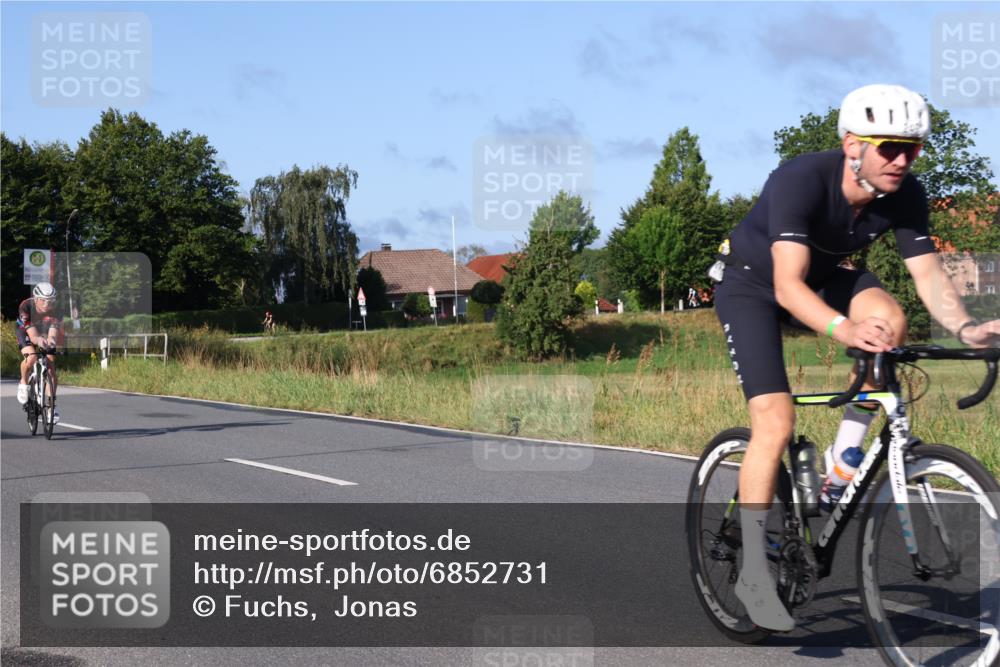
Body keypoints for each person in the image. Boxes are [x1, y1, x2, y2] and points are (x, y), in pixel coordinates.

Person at [712, 84, 1000, 632]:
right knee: (775, 420)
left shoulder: (905, 193)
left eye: (912, 148)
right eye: (889, 147)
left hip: (824, 278)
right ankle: (752, 572)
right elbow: (788, 285)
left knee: (890, 321)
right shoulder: (800, 178)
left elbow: (928, 275)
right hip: (753, 284)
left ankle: (842, 463)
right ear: (852, 145)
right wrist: (845, 328)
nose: (901, 160)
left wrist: (967, 328)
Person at [15, 282, 63, 423]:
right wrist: (39, 341)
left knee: (50, 365)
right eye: (43, 300)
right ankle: (23, 382)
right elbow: (33, 336)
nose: (47, 304)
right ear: (36, 299)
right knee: (31, 358)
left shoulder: (57, 310)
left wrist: (51, 342)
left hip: (45, 329)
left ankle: (51, 407)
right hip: (26, 331)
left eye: (51, 301)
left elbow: (53, 334)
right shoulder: (26, 306)